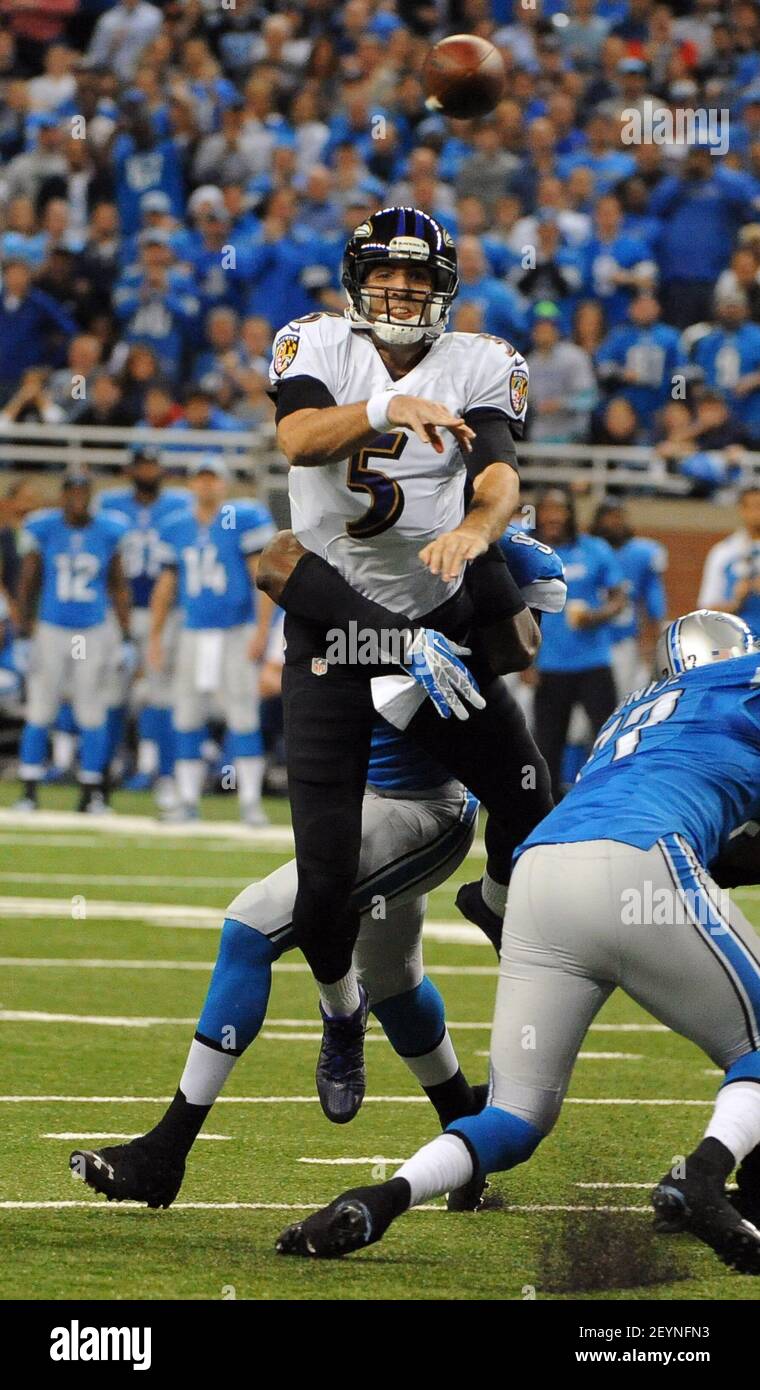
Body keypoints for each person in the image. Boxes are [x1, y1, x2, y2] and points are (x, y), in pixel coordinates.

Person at [69, 532, 566, 1209]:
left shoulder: (446, 595)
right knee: (395, 982)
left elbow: (519, 768)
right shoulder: (390, 584)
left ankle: (167, 1151)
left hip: (418, 811)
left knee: (249, 929)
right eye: (528, 614)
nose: (532, 637)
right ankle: (462, 1136)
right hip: (377, 805)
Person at [276, 611, 760, 1275]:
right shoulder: (745, 681)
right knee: (756, 1049)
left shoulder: (638, 714)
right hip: (638, 861)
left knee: (516, 1114)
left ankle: (382, 1196)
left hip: (540, 872)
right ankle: (700, 1178)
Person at [262, 205, 552, 1126]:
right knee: (323, 889)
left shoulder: (482, 360)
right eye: (388, 277)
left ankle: (496, 900)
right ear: (357, 283)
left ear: (444, 291)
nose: (403, 292)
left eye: (420, 280)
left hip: (434, 607)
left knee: (528, 794)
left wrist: (476, 529)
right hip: (336, 628)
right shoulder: (312, 341)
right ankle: (341, 1013)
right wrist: (388, 406)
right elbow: (301, 441)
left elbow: (501, 474)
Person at [148, 455, 275, 826]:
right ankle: (187, 800)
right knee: (187, 714)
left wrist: (262, 629)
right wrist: (155, 637)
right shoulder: (176, 525)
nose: (206, 485)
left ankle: (250, 802)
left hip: (234, 631)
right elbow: (166, 586)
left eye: (213, 479)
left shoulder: (243, 517)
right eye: (200, 479)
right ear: (191, 484)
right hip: (192, 631)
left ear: (224, 483)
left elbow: (262, 578)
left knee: (243, 714)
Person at [13, 467, 132, 814]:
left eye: (84, 490)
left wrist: (125, 636)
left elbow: (117, 585)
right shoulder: (44, 527)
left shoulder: (109, 530)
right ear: (63, 494)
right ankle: (29, 790)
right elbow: (28, 582)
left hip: (89, 632)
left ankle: (91, 791)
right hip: (52, 629)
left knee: (90, 710)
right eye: (72, 490)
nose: (78, 497)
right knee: (40, 708)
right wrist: (23, 632)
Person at [96, 448, 190, 804]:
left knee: (160, 694)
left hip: (161, 612)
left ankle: (164, 774)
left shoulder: (179, 505)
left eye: (152, 465)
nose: (147, 471)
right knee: (109, 693)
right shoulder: (109, 505)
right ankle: (103, 771)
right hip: (116, 610)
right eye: (142, 465)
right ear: (130, 469)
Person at [531, 488, 626, 799]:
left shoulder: (594, 549)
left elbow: (619, 597)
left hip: (593, 662)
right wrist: (525, 661)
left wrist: (596, 616)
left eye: (559, 510)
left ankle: (606, 797)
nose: (553, 516)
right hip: (548, 664)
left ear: (571, 513)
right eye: (546, 509)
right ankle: (546, 805)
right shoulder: (527, 552)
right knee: (547, 743)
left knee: (606, 735)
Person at [590, 499, 668, 697]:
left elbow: (654, 599)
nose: (613, 523)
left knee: (621, 699)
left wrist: (658, 640)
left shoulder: (642, 553)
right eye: (608, 517)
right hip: (587, 639)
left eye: (618, 517)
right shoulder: (585, 551)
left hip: (623, 639)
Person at [698, 486, 760, 637]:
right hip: (736, 643)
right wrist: (735, 602)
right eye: (753, 507)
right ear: (742, 510)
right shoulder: (724, 552)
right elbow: (706, 610)